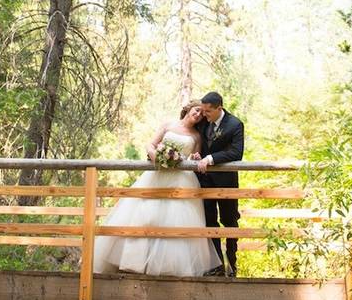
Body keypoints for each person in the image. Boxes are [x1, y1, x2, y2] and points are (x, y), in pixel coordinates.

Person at [92, 101, 222, 277]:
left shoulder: (196, 136)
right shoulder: (168, 125)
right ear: (189, 109)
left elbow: (194, 157)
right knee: (146, 214)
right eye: (197, 110)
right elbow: (150, 145)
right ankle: (135, 262)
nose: (198, 115)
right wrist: (157, 158)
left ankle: (170, 267)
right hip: (157, 175)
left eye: (201, 114)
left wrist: (195, 157)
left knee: (175, 219)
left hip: (181, 180)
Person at [190, 91, 244, 277]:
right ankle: (218, 265)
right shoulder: (204, 122)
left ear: (219, 108)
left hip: (227, 182)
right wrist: (198, 155)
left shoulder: (235, 124)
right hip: (205, 181)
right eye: (203, 111)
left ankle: (232, 263)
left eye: (208, 111)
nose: (204, 114)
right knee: (210, 221)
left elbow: (236, 153)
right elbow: (200, 143)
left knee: (230, 221)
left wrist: (211, 158)